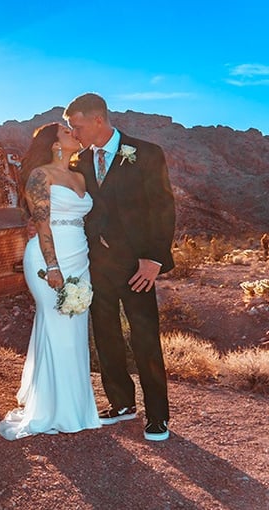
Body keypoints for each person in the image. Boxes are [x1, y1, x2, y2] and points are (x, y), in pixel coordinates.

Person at [63, 92, 176, 441]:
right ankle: (121, 403)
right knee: (106, 335)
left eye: (77, 126)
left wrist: (154, 258)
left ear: (98, 120)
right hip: (96, 266)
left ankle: (157, 416)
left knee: (144, 338)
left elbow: (163, 207)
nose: (75, 133)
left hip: (138, 266)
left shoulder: (146, 153)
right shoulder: (78, 161)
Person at [0, 122, 101, 440]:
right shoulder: (40, 175)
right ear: (54, 143)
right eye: (68, 132)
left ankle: (76, 407)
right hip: (47, 259)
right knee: (56, 324)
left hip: (79, 257)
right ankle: (53, 410)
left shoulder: (81, 176)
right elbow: (42, 225)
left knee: (74, 330)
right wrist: (53, 266)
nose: (75, 134)